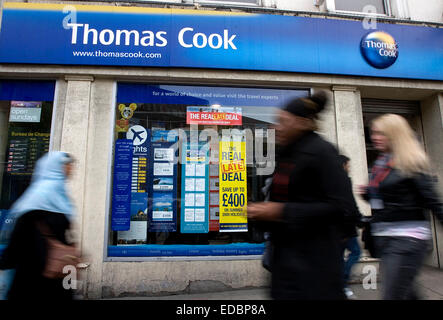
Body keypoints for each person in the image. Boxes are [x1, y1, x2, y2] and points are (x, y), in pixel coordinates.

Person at [247, 92, 358, 300]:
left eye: (282, 121)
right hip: (286, 265)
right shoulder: (286, 154)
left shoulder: (322, 152)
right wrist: (260, 214)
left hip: (315, 270)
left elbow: (344, 209)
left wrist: (280, 211)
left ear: (301, 122)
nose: (275, 127)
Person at [359, 114, 443, 300]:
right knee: (406, 293)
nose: (375, 137)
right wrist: (367, 192)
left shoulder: (412, 162)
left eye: (381, 133)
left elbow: (432, 201)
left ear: (395, 135)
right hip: (385, 238)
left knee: (393, 294)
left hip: (407, 239)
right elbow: (382, 198)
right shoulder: (381, 163)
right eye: (373, 133)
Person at [0, 152, 76, 300]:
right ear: (55, 167)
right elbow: (17, 242)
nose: (71, 169)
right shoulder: (44, 199)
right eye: (67, 165)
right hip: (34, 279)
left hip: (49, 277)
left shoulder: (51, 196)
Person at [338, 155, 363, 299]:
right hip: (345, 227)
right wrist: (359, 220)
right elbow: (350, 204)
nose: (349, 168)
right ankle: (343, 282)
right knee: (356, 252)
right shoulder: (344, 180)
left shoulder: (333, 181)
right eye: (348, 165)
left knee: (341, 256)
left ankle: (342, 284)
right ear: (343, 165)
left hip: (339, 227)